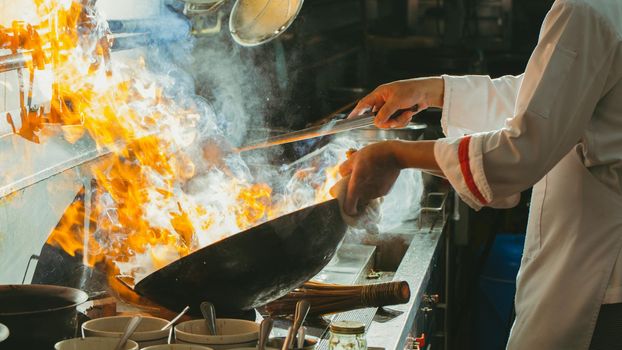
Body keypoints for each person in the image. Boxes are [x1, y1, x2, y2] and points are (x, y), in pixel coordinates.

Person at [339, 0, 622, 349]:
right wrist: (431, 90)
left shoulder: (586, 8)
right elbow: (545, 93)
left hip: (600, 281)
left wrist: (395, 155)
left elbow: (522, 152)